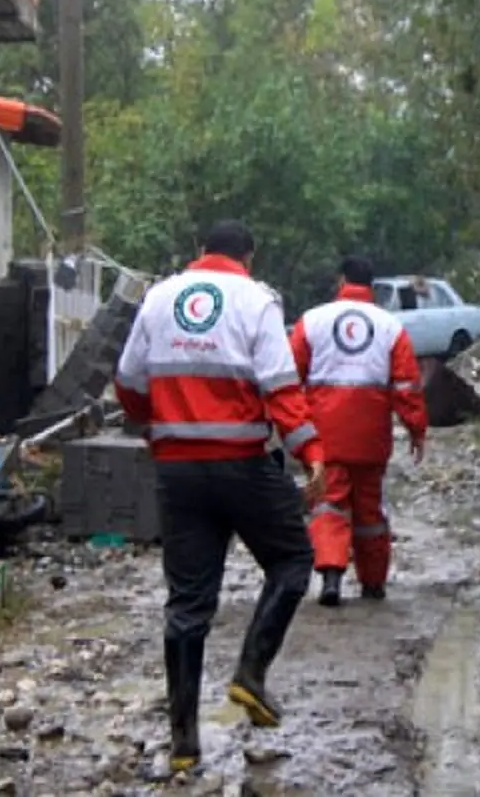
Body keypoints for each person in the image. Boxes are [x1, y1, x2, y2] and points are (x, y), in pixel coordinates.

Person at [114, 221, 325, 773]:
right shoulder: (257, 301)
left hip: (178, 471)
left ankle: (184, 742)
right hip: (243, 468)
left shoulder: (159, 298)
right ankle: (250, 675)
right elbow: (280, 386)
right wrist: (311, 454)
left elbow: (128, 381)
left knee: (187, 605)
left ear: (198, 252)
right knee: (293, 558)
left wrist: (153, 423)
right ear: (248, 256)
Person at [288, 255, 428, 606]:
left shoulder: (312, 320)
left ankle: (332, 575)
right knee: (369, 510)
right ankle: (373, 583)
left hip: (326, 435)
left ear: (341, 282)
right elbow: (407, 386)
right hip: (371, 436)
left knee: (329, 504)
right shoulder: (390, 327)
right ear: (372, 286)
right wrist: (416, 429)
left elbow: (289, 376)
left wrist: (289, 427)